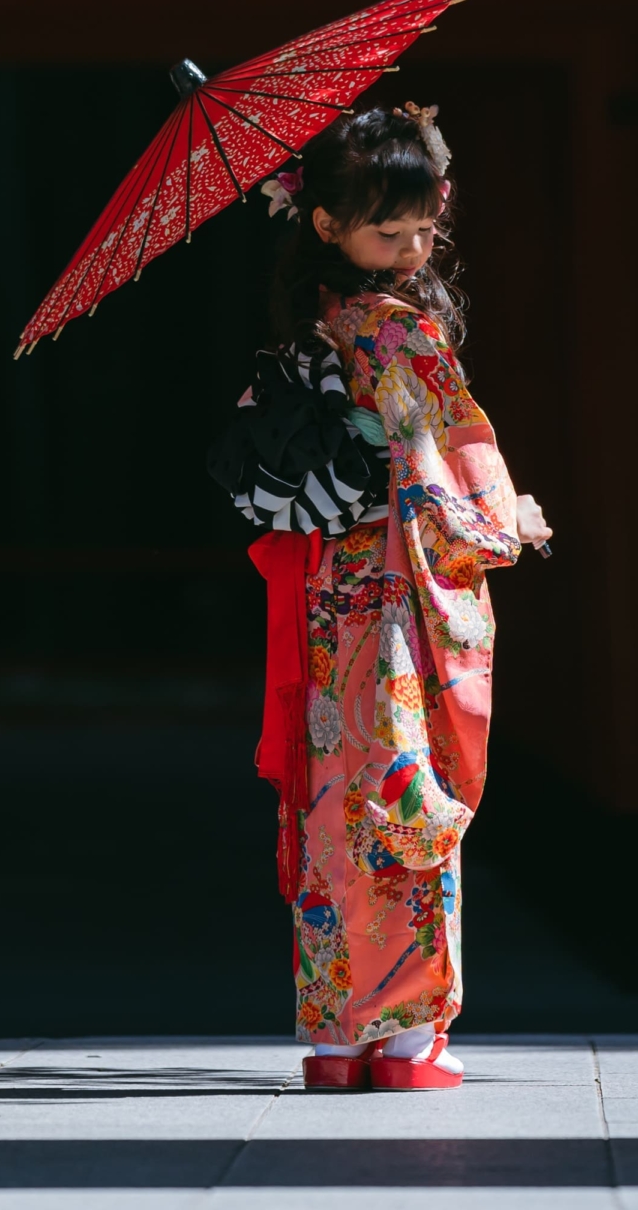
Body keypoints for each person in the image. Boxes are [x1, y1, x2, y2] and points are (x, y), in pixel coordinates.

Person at [258, 102, 551, 1093]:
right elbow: (442, 460)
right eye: (390, 230)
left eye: (425, 228)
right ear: (325, 224)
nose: (414, 246)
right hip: (394, 597)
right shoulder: (393, 332)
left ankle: (335, 1036)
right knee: (408, 791)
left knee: (334, 794)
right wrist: (506, 518)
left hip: (325, 595)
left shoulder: (308, 332)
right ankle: (405, 1035)